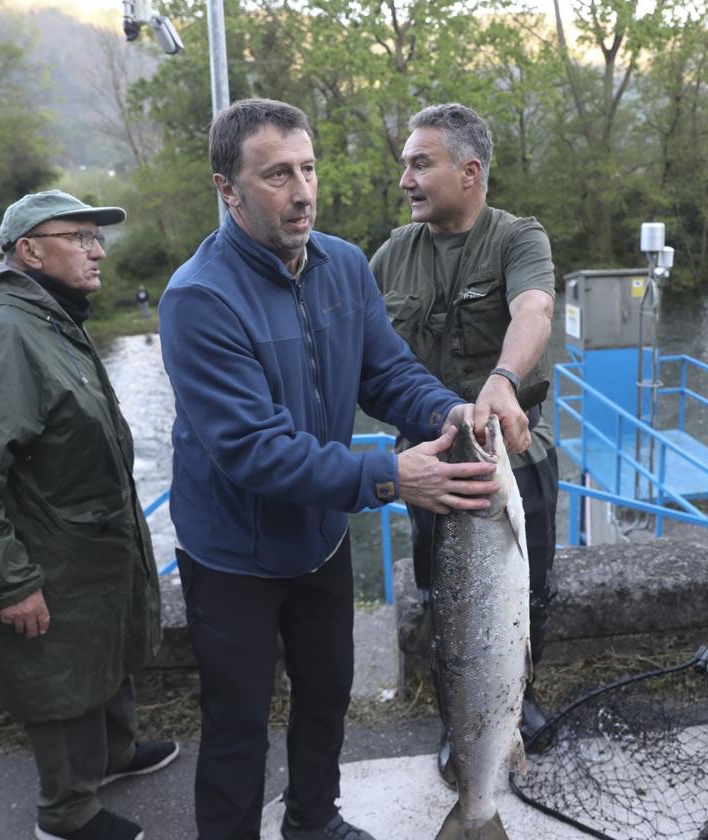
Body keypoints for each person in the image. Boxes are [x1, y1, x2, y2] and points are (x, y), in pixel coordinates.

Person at [159, 98, 499, 840]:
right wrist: (390, 476)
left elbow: (388, 375)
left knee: (326, 693)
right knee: (238, 721)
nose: (302, 189)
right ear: (229, 188)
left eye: (308, 168)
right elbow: (253, 449)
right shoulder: (197, 298)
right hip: (232, 554)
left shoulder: (344, 264)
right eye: (277, 174)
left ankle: (313, 821)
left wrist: (452, 412)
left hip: (319, 537)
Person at [0, 190, 174, 840]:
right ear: (29, 251)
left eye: (99, 238)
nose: (98, 251)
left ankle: (114, 757)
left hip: (83, 551)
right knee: (60, 678)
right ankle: (66, 814)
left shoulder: (48, 316)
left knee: (99, 656)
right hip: (48, 560)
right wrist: (9, 581)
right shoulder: (7, 334)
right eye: (80, 237)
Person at [368, 102, 557, 783]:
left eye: (420, 164)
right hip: (432, 464)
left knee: (529, 589)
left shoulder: (517, 238)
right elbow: (360, 351)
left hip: (514, 453)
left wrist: (504, 378)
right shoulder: (391, 254)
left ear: (469, 171)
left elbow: (534, 308)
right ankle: (461, 721)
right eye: (405, 166)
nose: (405, 180)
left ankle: (519, 701)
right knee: (442, 596)